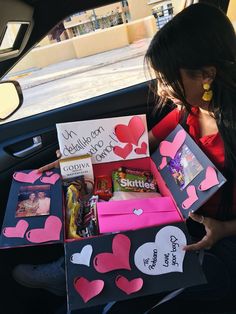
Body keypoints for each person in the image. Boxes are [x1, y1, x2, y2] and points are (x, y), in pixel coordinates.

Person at [12, 3, 236, 313]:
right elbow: (137, 144)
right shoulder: (189, 111)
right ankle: (73, 268)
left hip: (215, 233)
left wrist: (224, 230)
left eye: (168, 80)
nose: (161, 90)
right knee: (103, 201)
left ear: (206, 75)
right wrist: (81, 157)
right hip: (173, 212)